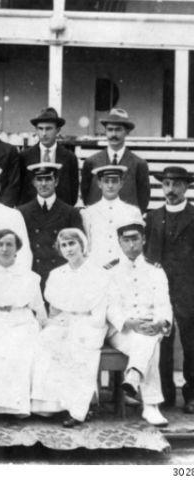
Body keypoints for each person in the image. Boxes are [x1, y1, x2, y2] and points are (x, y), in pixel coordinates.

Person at [31, 228, 111, 427]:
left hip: (89, 322)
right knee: (46, 341)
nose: (69, 249)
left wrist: (90, 326)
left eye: (72, 243)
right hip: (65, 320)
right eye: (64, 245)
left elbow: (100, 309)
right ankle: (54, 405)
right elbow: (55, 309)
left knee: (79, 348)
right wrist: (55, 323)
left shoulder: (98, 273)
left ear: (82, 245)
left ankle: (78, 410)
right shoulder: (57, 274)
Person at [106, 221, 172, 426]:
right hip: (122, 330)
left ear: (143, 240)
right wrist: (129, 323)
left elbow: (164, 303)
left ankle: (134, 376)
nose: (131, 244)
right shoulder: (110, 271)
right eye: (126, 240)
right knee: (149, 342)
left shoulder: (155, 270)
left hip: (151, 326)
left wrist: (161, 322)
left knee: (148, 338)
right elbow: (110, 308)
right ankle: (151, 406)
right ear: (119, 242)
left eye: (135, 239)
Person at [0, 229, 46, 417]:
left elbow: (38, 306)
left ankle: (18, 407)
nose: (5, 248)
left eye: (10, 244)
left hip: (22, 320)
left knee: (23, 352)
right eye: (0, 244)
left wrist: (45, 326)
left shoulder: (29, 276)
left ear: (17, 248)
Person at [145, 166, 194, 410]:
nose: (171, 189)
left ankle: (192, 394)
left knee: (191, 342)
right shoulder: (153, 217)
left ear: (187, 187)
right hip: (160, 289)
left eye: (176, 184)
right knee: (161, 340)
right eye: (166, 184)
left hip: (189, 288)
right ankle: (164, 393)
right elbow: (148, 255)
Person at [17, 163, 83, 289]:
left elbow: (78, 251)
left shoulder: (71, 213)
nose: (43, 184)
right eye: (39, 179)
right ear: (33, 182)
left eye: (48, 179)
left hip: (61, 279)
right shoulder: (21, 213)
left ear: (56, 181)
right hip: (33, 278)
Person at [80, 108, 150, 212]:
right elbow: (86, 195)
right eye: (110, 129)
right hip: (99, 219)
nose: (113, 134)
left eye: (118, 130)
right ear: (105, 131)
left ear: (127, 132)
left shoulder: (139, 164)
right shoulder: (91, 162)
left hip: (126, 221)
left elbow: (143, 200)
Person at [81, 165, 142, 267]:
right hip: (97, 268)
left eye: (114, 181)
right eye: (106, 181)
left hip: (123, 267)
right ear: (99, 184)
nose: (110, 185)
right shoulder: (88, 213)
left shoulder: (132, 212)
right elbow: (86, 245)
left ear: (121, 183)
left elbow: (137, 245)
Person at [17, 107, 79, 206]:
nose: (44, 133)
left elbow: (73, 194)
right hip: (31, 213)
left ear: (57, 130)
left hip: (60, 213)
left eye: (49, 129)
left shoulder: (69, 158)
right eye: (40, 129)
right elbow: (20, 190)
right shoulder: (24, 157)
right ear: (36, 130)